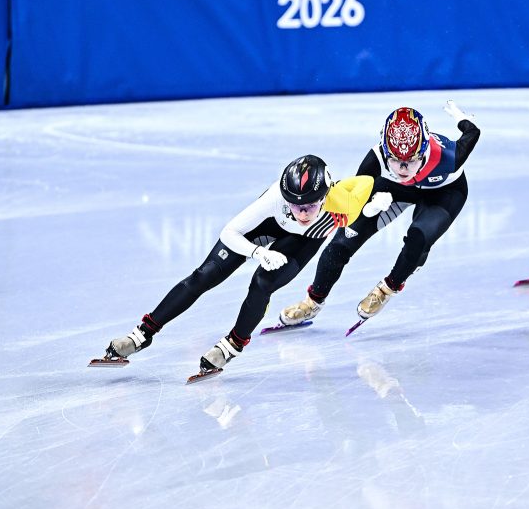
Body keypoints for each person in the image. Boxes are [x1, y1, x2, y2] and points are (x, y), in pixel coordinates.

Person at [95, 155, 380, 375]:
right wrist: (258, 253)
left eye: (310, 206)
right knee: (203, 276)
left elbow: (367, 182)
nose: (302, 213)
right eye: (295, 205)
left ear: (326, 195)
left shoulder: (341, 201)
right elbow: (229, 233)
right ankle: (141, 335)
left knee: (262, 284)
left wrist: (368, 205)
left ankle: (232, 344)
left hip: (303, 241)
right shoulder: (274, 199)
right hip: (265, 227)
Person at [278, 101, 481, 326]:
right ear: (385, 151)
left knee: (418, 239)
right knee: (341, 243)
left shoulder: (449, 156)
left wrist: (463, 120)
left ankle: (387, 289)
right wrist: (371, 206)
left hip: (444, 192)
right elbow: (350, 204)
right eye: (394, 160)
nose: (402, 169)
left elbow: (472, 132)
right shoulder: (375, 160)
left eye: (410, 161)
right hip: (393, 190)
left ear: (423, 151)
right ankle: (312, 302)